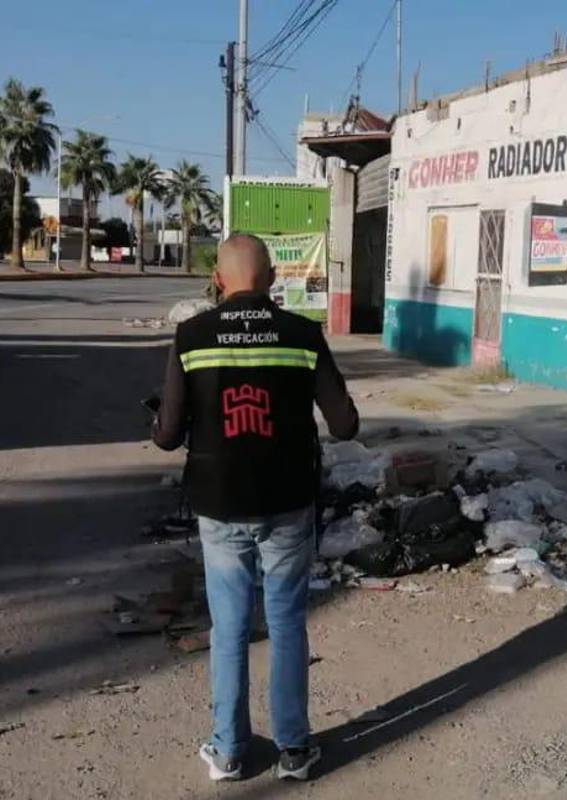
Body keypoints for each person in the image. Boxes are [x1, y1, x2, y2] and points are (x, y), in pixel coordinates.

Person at [153, 233, 359, 782]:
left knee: (229, 628)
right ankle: (294, 750)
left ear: (219, 280)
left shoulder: (191, 336)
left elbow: (169, 436)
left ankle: (227, 751)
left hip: (220, 505)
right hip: (288, 502)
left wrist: (161, 418)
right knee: (288, 623)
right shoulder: (302, 334)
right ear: (270, 278)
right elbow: (345, 426)